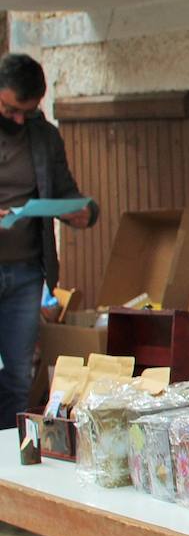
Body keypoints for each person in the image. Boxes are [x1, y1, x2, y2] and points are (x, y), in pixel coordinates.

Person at [0, 53, 98, 428]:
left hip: (26, 272)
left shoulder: (44, 136)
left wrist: (85, 211)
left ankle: (10, 458)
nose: (19, 119)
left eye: (28, 110)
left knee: (20, 373)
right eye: (10, 109)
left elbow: (66, 192)